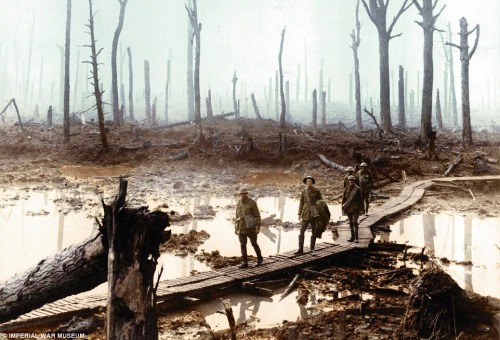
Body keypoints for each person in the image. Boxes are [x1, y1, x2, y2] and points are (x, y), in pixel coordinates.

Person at [235, 187, 263, 268]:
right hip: (241, 228)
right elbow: (237, 216)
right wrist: (236, 228)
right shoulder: (239, 203)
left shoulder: (252, 203)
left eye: (243, 193)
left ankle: (260, 259)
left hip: (250, 228)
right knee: (242, 245)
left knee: (254, 243)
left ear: (247, 193)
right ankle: (245, 262)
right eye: (241, 193)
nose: (242, 195)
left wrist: (258, 227)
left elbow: (257, 216)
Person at [296, 175, 323, 255]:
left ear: (312, 183)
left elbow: (321, 201)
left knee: (314, 231)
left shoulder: (316, 191)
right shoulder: (303, 192)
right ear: (305, 183)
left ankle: (312, 249)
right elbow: (301, 203)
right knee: (301, 231)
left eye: (311, 181)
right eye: (307, 181)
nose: (309, 183)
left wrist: (318, 209)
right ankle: (300, 249)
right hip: (305, 213)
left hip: (314, 214)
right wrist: (299, 213)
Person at [342, 175, 364, 242]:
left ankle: (356, 238)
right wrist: (342, 209)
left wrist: (361, 209)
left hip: (355, 208)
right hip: (348, 208)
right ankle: (352, 237)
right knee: (351, 222)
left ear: (354, 181)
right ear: (348, 181)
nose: (351, 181)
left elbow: (361, 199)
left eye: (352, 180)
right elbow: (343, 200)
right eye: (349, 180)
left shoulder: (358, 189)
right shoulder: (346, 189)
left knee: (355, 222)